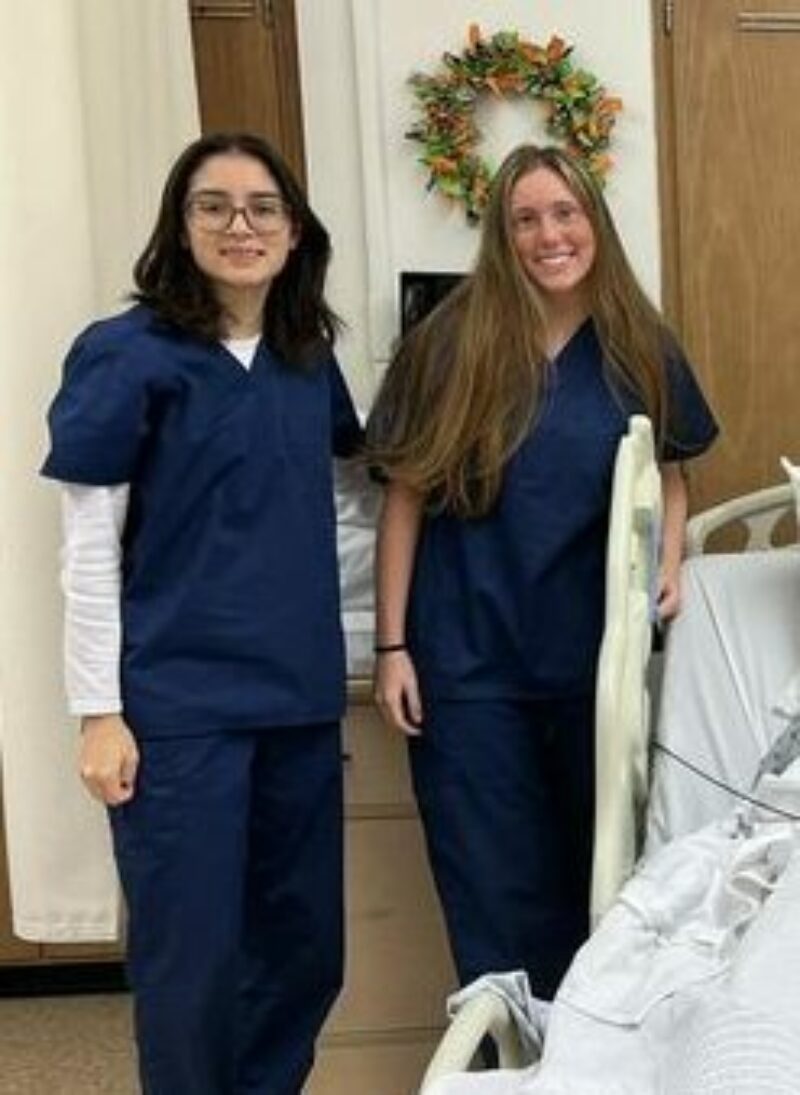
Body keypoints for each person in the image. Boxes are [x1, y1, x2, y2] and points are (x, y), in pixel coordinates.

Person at [41, 132, 362, 1095]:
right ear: (179, 228)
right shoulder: (125, 354)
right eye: (213, 205)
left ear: (295, 231)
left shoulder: (308, 361)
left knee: (304, 954)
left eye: (264, 206)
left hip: (298, 705)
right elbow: (88, 549)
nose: (241, 225)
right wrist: (97, 710)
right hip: (178, 713)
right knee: (194, 967)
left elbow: (344, 506)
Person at [367, 143, 718, 1001]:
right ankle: (509, 1065)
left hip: (591, 665)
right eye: (526, 219)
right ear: (502, 234)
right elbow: (404, 500)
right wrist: (392, 647)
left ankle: (586, 1061)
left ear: (594, 222)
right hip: (469, 664)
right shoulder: (447, 343)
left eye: (565, 214)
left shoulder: (639, 342)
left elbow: (669, 472)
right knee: (492, 886)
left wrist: (669, 564)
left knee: (600, 883)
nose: (548, 235)